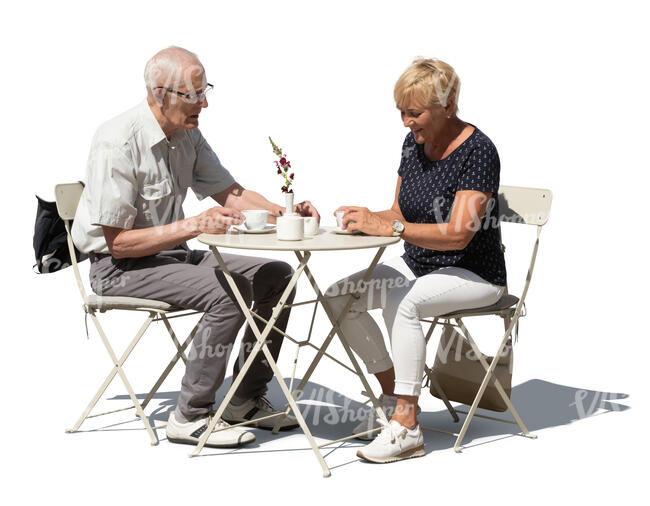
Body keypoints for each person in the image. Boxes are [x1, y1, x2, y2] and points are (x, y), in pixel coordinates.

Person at [72, 46, 320, 448]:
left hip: (170, 257)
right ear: (159, 93)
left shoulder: (187, 134)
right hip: (118, 268)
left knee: (278, 276)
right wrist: (190, 225)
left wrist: (285, 213)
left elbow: (230, 192)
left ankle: (243, 399)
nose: (204, 103)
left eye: (206, 91)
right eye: (193, 95)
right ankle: (190, 415)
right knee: (230, 289)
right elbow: (118, 245)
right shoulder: (117, 141)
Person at [327, 58, 507, 463]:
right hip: (421, 264)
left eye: (415, 113)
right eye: (402, 112)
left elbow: (460, 232)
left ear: (448, 105)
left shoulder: (479, 151)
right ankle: (394, 400)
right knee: (339, 297)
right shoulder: (414, 144)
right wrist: (367, 219)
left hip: (475, 272)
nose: (406, 122)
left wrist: (389, 229)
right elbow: (399, 214)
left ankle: (407, 427)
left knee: (405, 301)